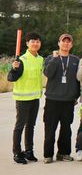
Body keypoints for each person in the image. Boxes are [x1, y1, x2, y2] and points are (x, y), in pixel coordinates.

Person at [42, 34, 80, 164]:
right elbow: (48, 73)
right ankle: (48, 155)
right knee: (50, 129)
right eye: (63, 41)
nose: (66, 44)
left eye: (69, 42)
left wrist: (75, 96)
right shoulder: (50, 58)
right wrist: (54, 59)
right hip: (52, 100)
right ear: (59, 43)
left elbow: (78, 80)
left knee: (66, 129)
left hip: (68, 101)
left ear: (71, 45)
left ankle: (63, 153)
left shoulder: (75, 60)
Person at [8, 32, 44, 164]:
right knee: (19, 126)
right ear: (27, 43)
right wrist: (13, 69)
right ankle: (17, 153)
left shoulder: (40, 59)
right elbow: (11, 78)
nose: (35, 44)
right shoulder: (21, 60)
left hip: (35, 98)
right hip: (22, 99)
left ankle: (29, 151)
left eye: (37, 41)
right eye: (32, 41)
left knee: (31, 126)